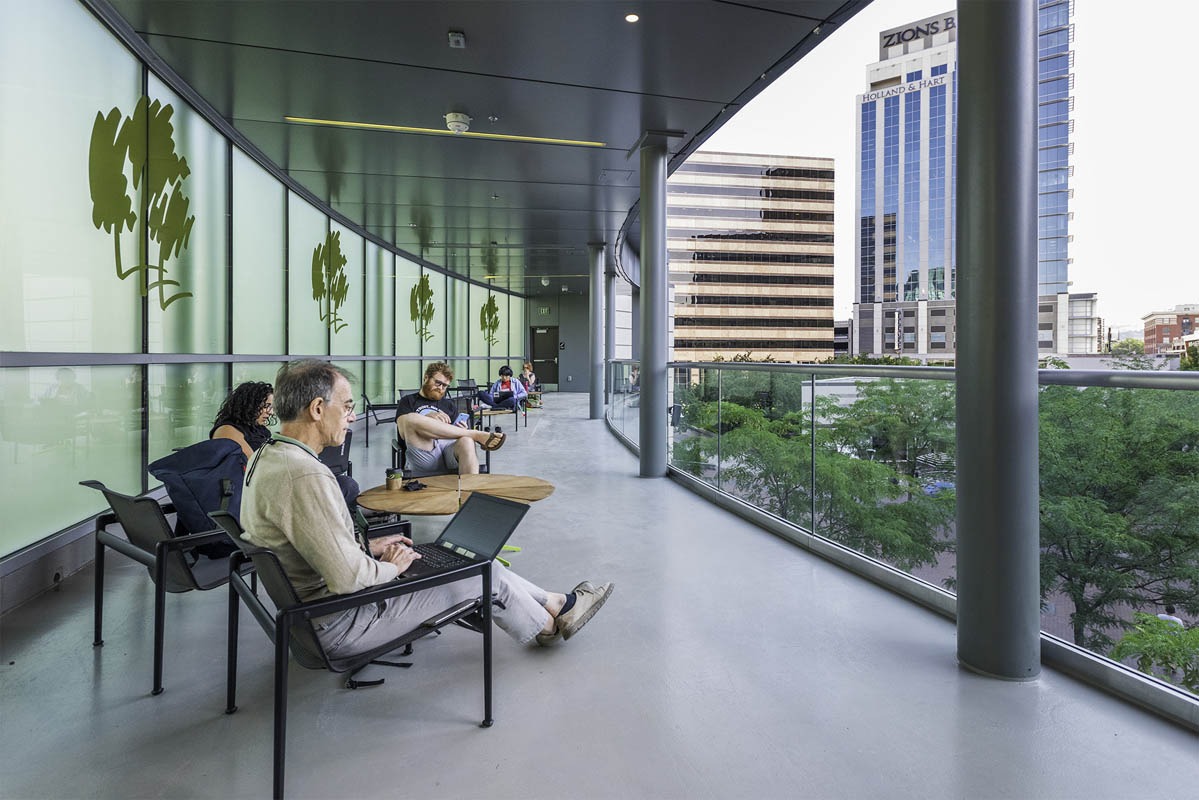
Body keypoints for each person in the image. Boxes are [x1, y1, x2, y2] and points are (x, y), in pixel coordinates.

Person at [239, 359, 614, 655]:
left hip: (311, 614)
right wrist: (388, 565)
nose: (352, 416)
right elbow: (348, 580)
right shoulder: (306, 476)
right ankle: (549, 627)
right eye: (348, 406)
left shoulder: (267, 458)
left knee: (455, 557)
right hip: (343, 622)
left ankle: (558, 603)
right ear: (318, 409)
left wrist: (369, 549)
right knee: (482, 572)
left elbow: (307, 546)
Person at [396, 362, 505, 476]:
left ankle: (470, 490)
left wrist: (462, 428)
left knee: (467, 440)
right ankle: (475, 434)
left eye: (445, 386)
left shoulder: (448, 404)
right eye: (438, 383)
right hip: (425, 453)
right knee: (412, 418)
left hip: (449, 454)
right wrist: (426, 418)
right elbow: (403, 431)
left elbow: (455, 432)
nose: (441, 389)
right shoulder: (408, 401)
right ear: (426, 377)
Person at [210, 381, 274, 458]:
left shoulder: (258, 427)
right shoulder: (227, 430)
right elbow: (251, 462)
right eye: (265, 406)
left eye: (271, 407)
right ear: (250, 405)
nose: (271, 412)